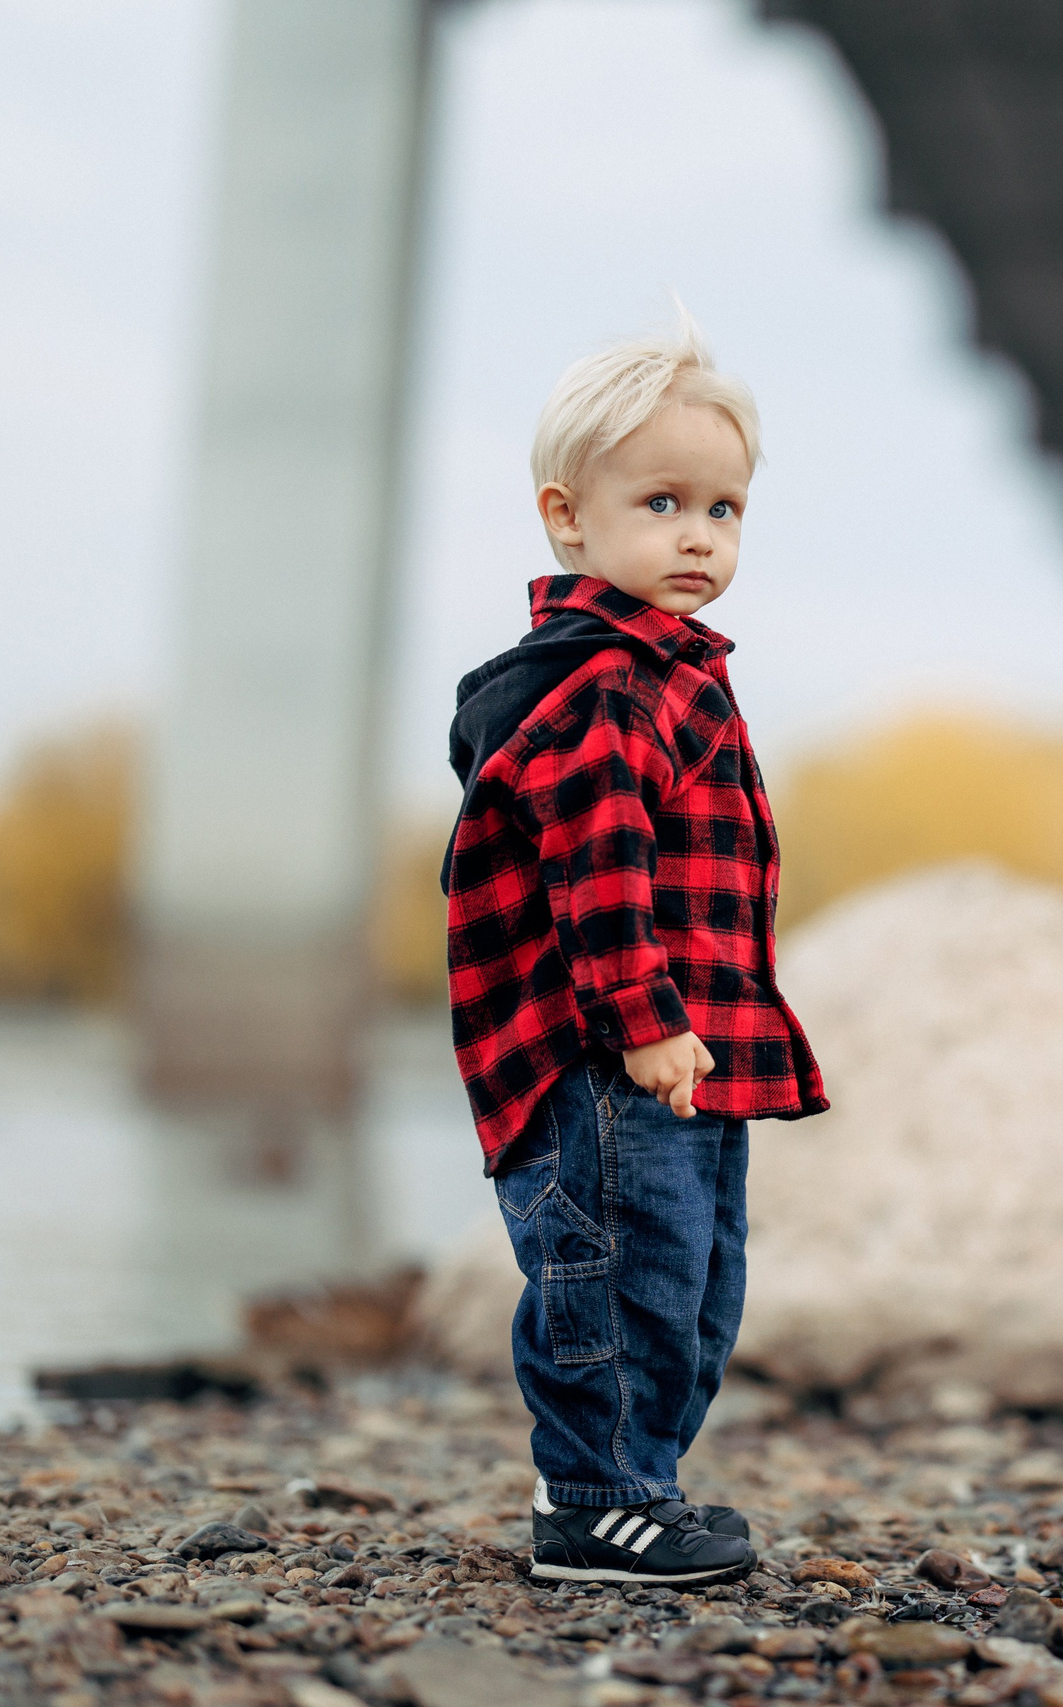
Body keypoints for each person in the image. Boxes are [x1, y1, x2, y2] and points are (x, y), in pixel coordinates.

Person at [442, 319, 828, 1585]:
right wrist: (647, 1019)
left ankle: (640, 1486)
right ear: (568, 518)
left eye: (722, 508)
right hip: (603, 1058)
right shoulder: (600, 686)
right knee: (617, 1277)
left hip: (673, 1051)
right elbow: (601, 878)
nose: (698, 535)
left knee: (697, 1282)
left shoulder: (676, 676)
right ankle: (593, 1501)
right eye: (661, 503)